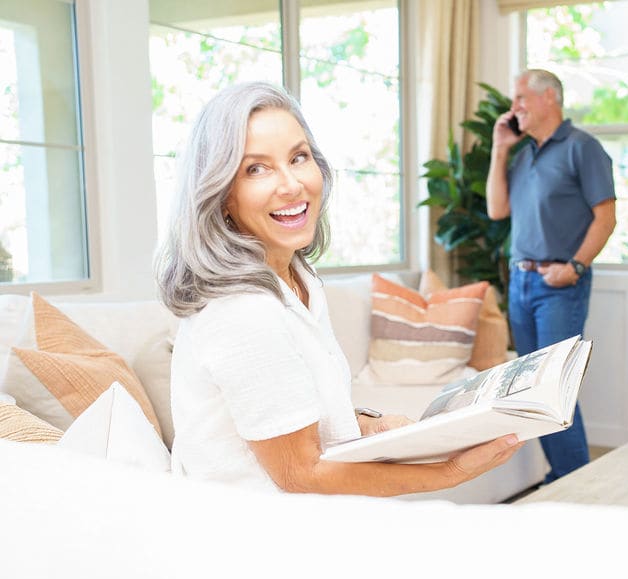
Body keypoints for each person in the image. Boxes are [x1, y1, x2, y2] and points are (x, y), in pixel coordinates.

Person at [155, 81, 521, 495]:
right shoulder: (243, 313)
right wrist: (451, 472)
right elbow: (302, 475)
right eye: (256, 168)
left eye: (299, 157)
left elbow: (307, 416)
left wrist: (369, 423)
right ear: (221, 195)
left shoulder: (298, 278)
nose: (291, 184)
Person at [486, 69, 616, 482]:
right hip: (521, 283)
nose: (514, 106)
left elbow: (606, 218)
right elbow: (496, 210)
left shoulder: (583, 148)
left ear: (549, 99)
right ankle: (562, 476)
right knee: (532, 389)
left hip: (559, 285)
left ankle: (574, 479)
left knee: (553, 387)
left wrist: (575, 267)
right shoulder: (524, 154)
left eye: (522, 97)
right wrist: (499, 149)